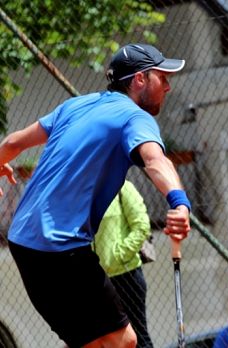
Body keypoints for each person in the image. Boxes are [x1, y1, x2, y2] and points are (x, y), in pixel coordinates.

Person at [0, 43, 191, 348]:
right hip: (60, 244)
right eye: (161, 76)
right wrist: (179, 203)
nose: (168, 86)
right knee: (124, 342)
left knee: (93, 343)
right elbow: (156, 160)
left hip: (23, 242)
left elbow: (13, 142)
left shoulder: (75, 106)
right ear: (140, 79)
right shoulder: (135, 118)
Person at [94, 179, 154, 348]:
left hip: (127, 276)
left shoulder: (123, 188)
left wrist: (118, 256)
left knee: (139, 338)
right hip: (96, 280)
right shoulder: (84, 192)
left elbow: (142, 226)